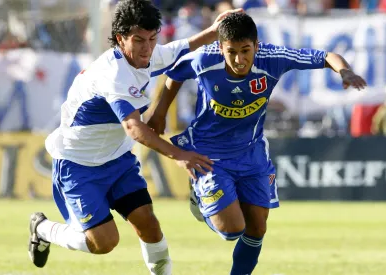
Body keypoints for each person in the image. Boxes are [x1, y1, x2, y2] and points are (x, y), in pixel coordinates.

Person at [28, 1, 242, 274]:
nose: (147, 48)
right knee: (104, 242)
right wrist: (180, 156)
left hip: (117, 160)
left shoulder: (146, 55)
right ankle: (43, 229)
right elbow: (134, 128)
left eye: (152, 39)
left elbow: (180, 48)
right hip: (79, 165)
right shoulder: (112, 72)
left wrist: (214, 30)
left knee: (148, 223)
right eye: (139, 40)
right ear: (120, 39)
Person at [148, 13, 366, 275]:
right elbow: (174, 74)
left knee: (258, 227)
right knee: (232, 230)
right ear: (220, 47)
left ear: (257, 45)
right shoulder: (204, 58)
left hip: (251, 152)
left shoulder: (272, 58)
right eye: (231, 52)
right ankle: (199, 198)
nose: (239, 60)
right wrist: (160, 113)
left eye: (245, 51)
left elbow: (325, 56)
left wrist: (345, 71)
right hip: (208, 154)